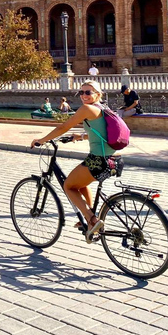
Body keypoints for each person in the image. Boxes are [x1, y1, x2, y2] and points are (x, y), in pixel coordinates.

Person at [31, 80, 123, 242]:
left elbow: (62, 127)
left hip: (98, 161)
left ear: (98, 94)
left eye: (88, 92)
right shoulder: (104, 108)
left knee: (68, 185)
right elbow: (102, 132)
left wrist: (42, 140)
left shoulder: (87, 109)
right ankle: (88, 220)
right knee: (80, 183)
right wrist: (80, 136)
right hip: (113, 159)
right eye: (81, 93)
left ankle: (92, 220)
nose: (84, 96)